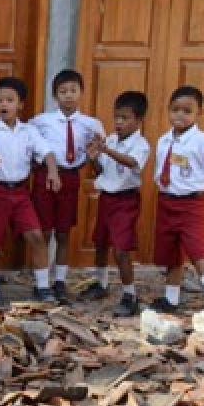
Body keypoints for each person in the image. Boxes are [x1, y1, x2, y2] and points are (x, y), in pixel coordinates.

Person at [0, 76, 60, 306]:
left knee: (36, 236)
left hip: (20, 192)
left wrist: (52, 171)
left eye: (9, 100)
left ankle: (42, 286)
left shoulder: (29, 131)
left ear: (20, 104)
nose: (4, 105)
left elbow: (47, 152)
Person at [150, 86, 204, 312]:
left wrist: (191, 191)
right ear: (168, 110)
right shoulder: (164, 141)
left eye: (187, 111)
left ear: (198, 113)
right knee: (171, 253)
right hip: (166, 202)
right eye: (175, 110)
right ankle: (171, 299)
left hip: (191, 204)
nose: (180, 115)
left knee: (197, 249)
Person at [31, 69, 105, 302]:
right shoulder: (41, 121)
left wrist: (94, 158)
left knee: (64, 232)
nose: (69, 96)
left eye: (73, 90)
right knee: (43, 231)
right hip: (46, 177)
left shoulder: (91, 124)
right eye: (63, 91)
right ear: (55, 95)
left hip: (72, 178)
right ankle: (41, 281)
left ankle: (60, 280)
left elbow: (99, 160)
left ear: (81, 92)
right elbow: (31, 148)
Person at [80, 91, 151, 316]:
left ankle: (130, 295)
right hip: (106, 199)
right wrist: (93, 158)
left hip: (125, 200)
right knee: (100, 242)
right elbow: (101, 170)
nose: (119, 122)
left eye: (125, 118)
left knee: (121, 250)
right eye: (116, 117)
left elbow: (131, 163)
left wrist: (106, 150)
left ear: (138, 120)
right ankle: (101, 284)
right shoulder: (110, 139)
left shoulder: (140, 144)